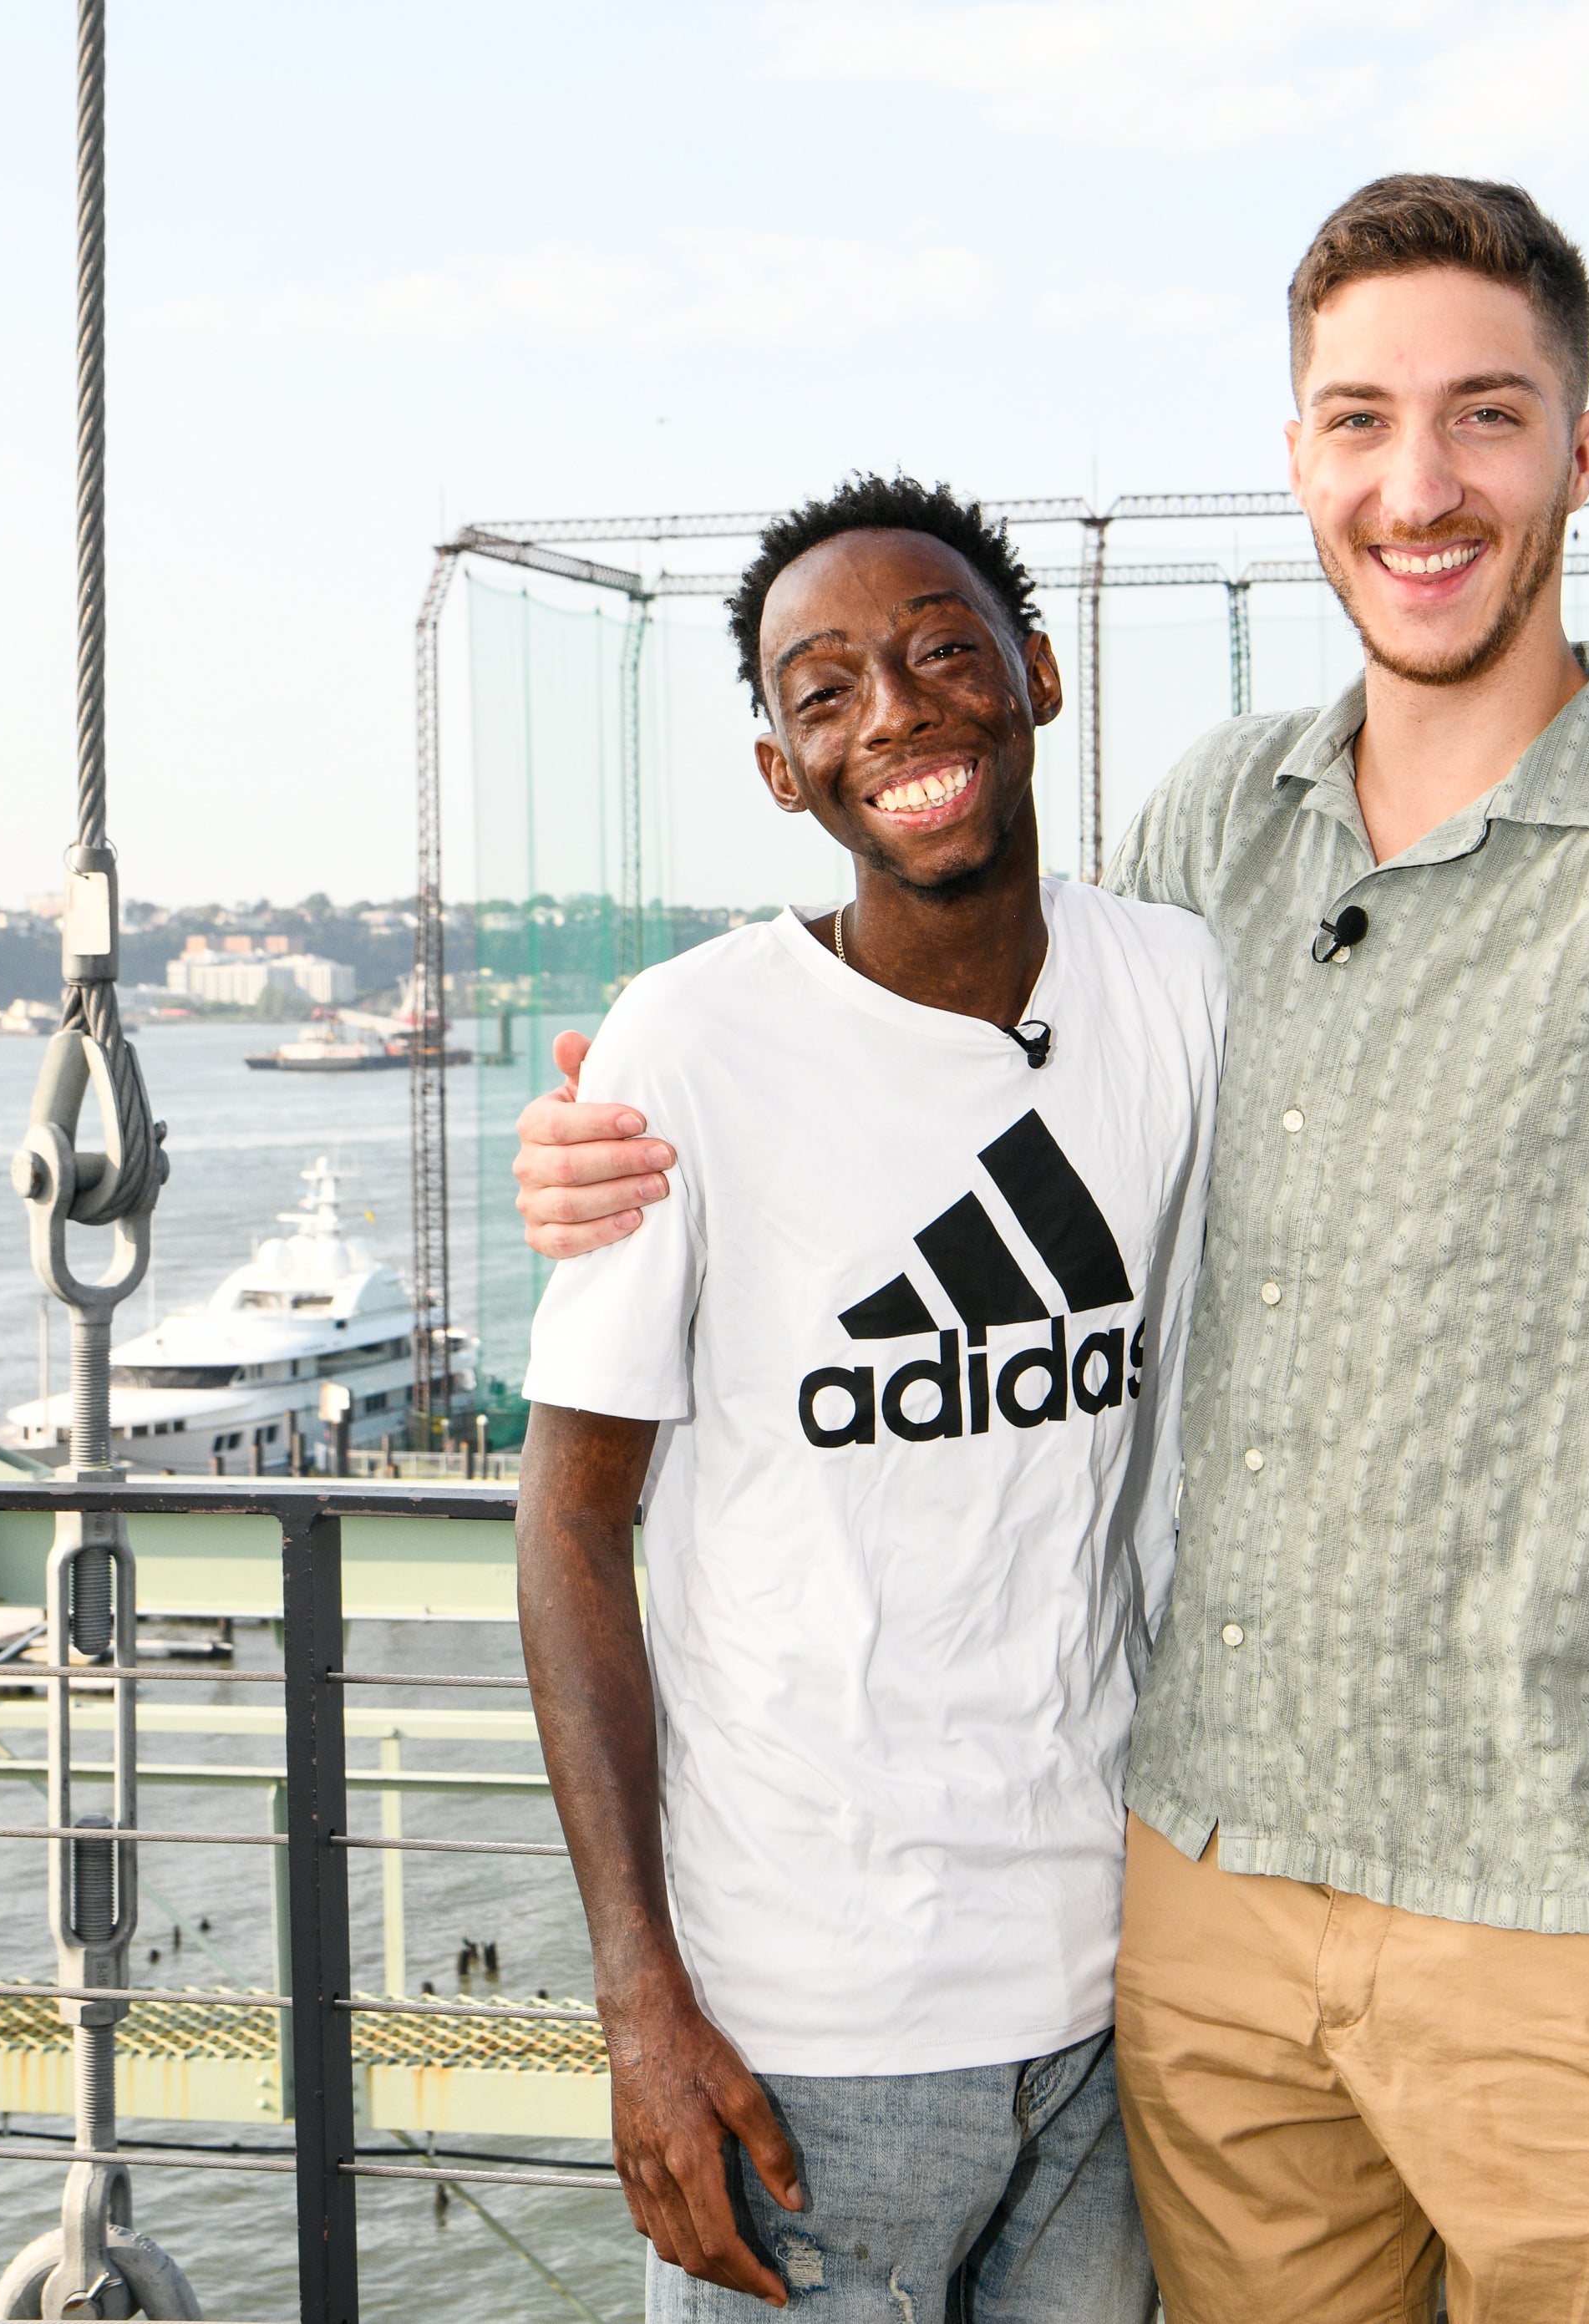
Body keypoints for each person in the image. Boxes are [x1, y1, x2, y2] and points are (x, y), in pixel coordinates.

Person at [516, 174, 1589, 2324]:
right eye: (1362, 418)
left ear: (1583, 449)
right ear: (1300, 459)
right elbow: (963, 1062)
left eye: (1485, 415)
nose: (1420, 482)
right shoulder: (1213, 833)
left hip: (1549, 1908)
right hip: (1193, 1919)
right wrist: (608, 1139)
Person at [515, 476, 1222, 2322]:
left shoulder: (1177, 990)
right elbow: (570, 1522)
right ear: (783, 770)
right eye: (824, 692)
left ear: (1037, 674)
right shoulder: (691, 1042)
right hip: (800, 2041)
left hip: (1112, 2003)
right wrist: (640, 2003)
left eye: (938, 654)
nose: (892, 714)